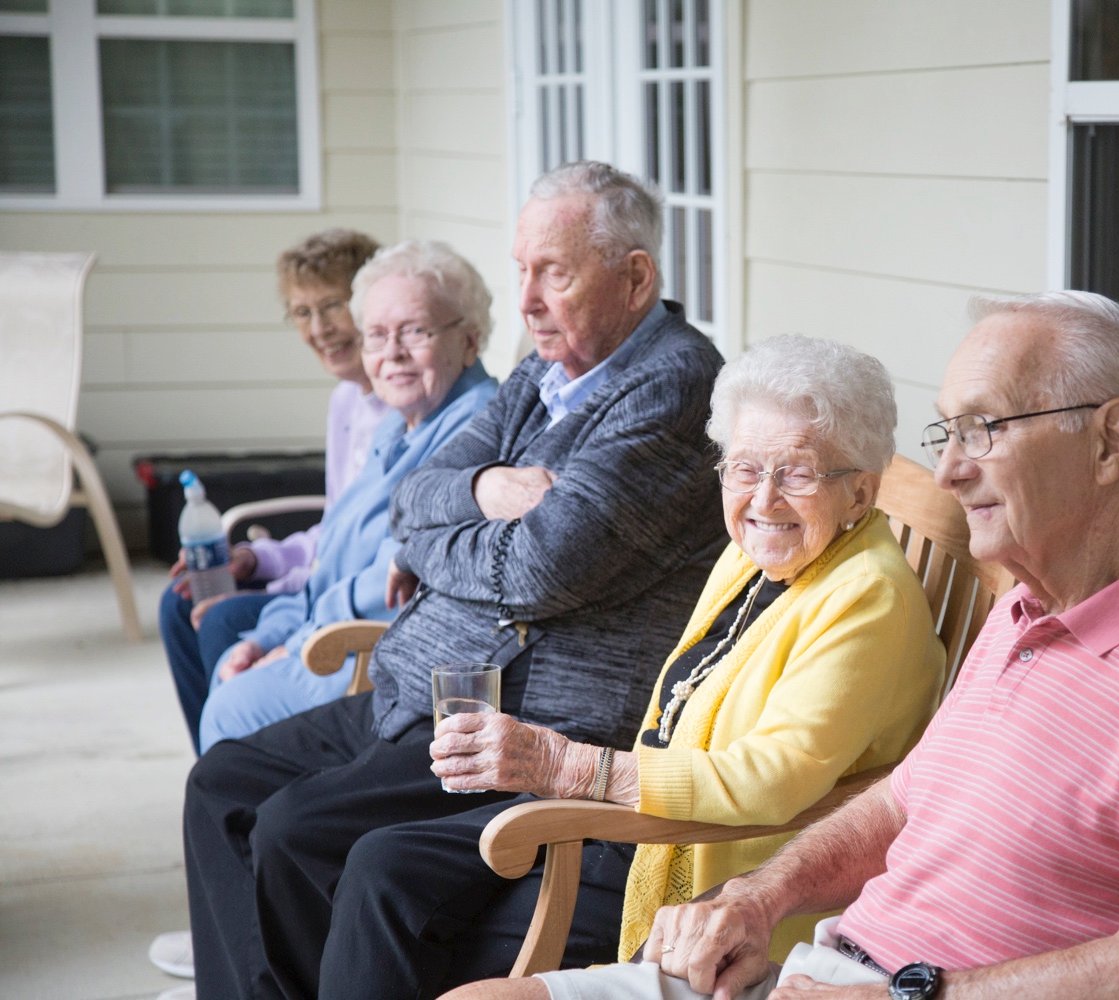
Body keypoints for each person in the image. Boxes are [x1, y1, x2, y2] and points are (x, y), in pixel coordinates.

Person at [456, 291, 1119, 1000]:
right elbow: (904, 800)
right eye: (949, 434)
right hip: (817, 971)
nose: (947, 474)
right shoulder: (1024, 618)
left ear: (1111, 441)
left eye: (983, 429)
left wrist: (906, 994)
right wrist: (759, 898)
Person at [165, 161, 728, 1000]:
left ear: (636, 277)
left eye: (555, 274)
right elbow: (412, 498)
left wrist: (449, 531)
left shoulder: (672, 386)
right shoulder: (545, 373)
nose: (529, 300)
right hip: (420, 682)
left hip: (519, 712)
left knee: (292, 829)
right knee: (222, 786)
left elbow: (543, 568)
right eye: (522, 272)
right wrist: (484, 491)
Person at [308, 334, 947, 1000]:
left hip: (717, 871)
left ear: (859, 494)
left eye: (797, 472)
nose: (764, 498)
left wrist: (572, 766)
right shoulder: (760, 555)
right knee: (382, 862)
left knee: (405, 905)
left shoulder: (868, 595)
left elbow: (773, 780)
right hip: (647, 822)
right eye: (745, 468)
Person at [189, 239, 499, 753]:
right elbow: (330, 556)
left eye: (415, 332)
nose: (392, 353)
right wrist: (268, 635)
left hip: (377, 657)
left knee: (232, 707)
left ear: (470, 340)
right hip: (327, 634)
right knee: (229, 663)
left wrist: (291, 644)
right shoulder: (396, 426)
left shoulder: (475, 428)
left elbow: (391, 580)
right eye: (376, 336)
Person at [157, 229, 387, 756]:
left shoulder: (403, 407)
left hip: (345, 602)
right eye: (301, 312)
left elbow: (360, 558)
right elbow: (337, 527)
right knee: (180, 602)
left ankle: (238, 774)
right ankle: (214, 773)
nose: (319, 328)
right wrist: (254, 559)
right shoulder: (347, 402)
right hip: (319, 579)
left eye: (332, 306)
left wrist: (280, 579)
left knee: (220, 618)